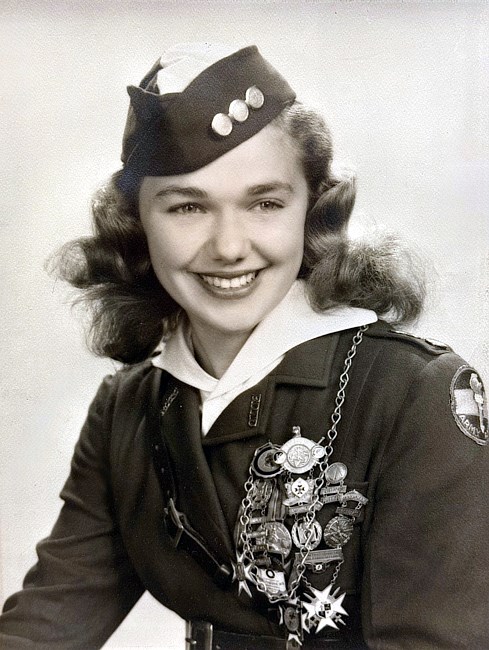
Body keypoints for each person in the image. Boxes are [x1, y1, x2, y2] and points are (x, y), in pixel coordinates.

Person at [0, 42, 488, 650]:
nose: (229, 248)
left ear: (312, 210)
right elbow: (47, 625)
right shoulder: (126, 408)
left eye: (265, 204)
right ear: (137, 224)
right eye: (187, 207)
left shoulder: (414, 394)